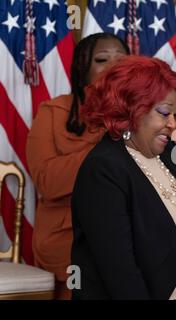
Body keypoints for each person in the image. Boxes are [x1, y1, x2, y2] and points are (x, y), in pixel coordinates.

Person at [70, 55, 176, 300]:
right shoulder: (102, 170)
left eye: (175, 114)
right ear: (131, 108)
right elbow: (121, 274)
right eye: (165, 113)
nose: (173, 124)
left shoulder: (167, 152)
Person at [26, 33, 129, 299]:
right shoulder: (53, 112)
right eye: (102, 60)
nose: (114, 67)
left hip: (128, 226)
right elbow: (47, 182)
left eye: (121, 60)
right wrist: (106, 141)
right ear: (83, 69)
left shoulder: (144, 115)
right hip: (68, 232)